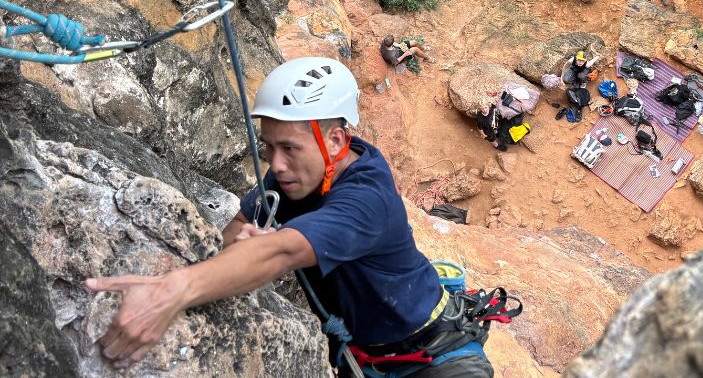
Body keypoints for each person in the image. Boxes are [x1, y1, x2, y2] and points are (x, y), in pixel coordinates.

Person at [85, 58, 497, 376]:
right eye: (268, 148)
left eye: (289, 148)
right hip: (363, 357)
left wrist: (170, 292)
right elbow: (232, 236)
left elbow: (282, 252)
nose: (276, 165)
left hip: (437, 355)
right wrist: (240, 249)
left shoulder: (367, 199)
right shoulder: (293, 176)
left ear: (336, 140)